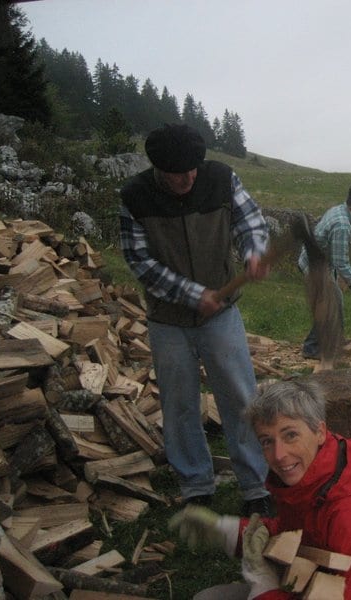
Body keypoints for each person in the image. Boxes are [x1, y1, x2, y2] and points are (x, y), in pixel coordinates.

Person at [119, 123, 271, 515]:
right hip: (168, 320)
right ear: (158, 169)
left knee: (239, 396)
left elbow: (249, 221)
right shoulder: (136, 195)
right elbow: (139, 261)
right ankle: (195, 485)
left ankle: (256, 485)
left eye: (192, 170)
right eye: (177, 173)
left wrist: (254, 251)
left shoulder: (220, 178)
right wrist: (192, 294)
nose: (187, 178)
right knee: (179, 402)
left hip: (222, 316)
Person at [169, 379, 351, 599]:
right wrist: (227, 531)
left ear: (320, 431)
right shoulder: (315, 479)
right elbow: (293, 535)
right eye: (267, 441)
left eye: (290, 435)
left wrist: (264, 587)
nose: (278, 455)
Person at [298, 184, 351, 360]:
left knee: (335, 301)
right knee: (330, 305)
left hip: (317, 262)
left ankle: (334, 340)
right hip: (314, 267)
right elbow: (341, 262)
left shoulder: (339, 210)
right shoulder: (342, 225)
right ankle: (311, 348)